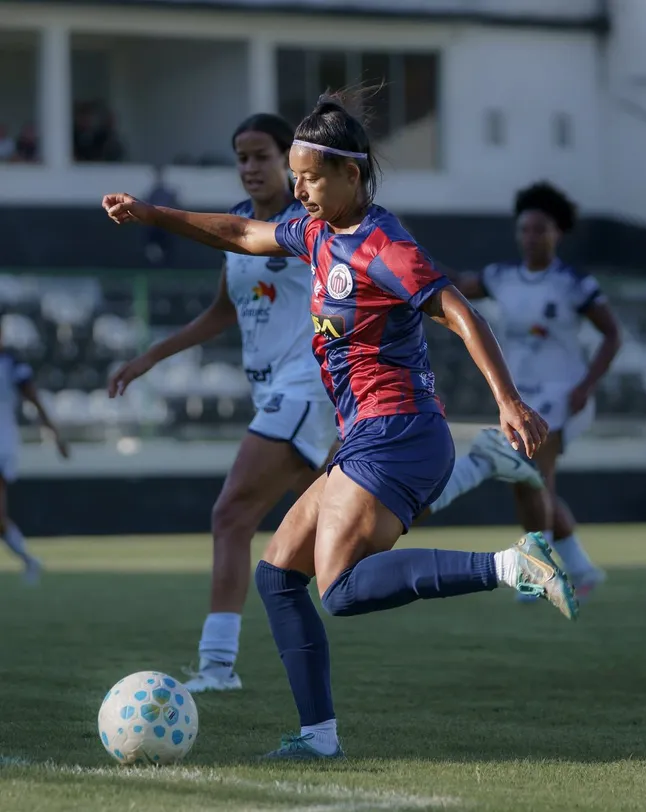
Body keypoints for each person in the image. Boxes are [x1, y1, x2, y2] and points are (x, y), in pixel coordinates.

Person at [102, 91, 578, 760]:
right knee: (276, 577)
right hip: (366, 436)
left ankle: (513, 564)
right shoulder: (316, 232)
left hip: (401, 430)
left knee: (343, 589)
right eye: (293, 176)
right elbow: (239, 234)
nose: (298, 189)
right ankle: (319, 738)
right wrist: (150, 212)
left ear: (350, 175)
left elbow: (457, 309)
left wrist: (508, 399)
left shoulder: (385, 244)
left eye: (310, 177)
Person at [107, 113, 338, 692]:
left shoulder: (308, 226)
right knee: (349, 534)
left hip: (306, 388)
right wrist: (150, 357)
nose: (250, 167)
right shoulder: (237, 225)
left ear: (289, 161)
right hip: (275, 393)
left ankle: (216, 667)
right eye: (241, 157)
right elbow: (222, 310)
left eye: (261, 156)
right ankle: (483, 477)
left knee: (231, 514)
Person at [429, 182, 621, 601]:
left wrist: (587, 385)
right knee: (527, 481)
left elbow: (612, 335)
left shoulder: (574, 283)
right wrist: (412, 255)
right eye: (525, 230)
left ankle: (541, 572)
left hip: (563, 392)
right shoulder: (503, 277)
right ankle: (583, 569)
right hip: (523, 396)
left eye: (540, 230)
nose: (531, 237)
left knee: (533, 473)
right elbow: (457, 284)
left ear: (558, 234)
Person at [0, 321, 69, 581]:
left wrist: (55, 436)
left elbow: (34, 400)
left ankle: (30, 562)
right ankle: (30, 561)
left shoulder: (11, 363)